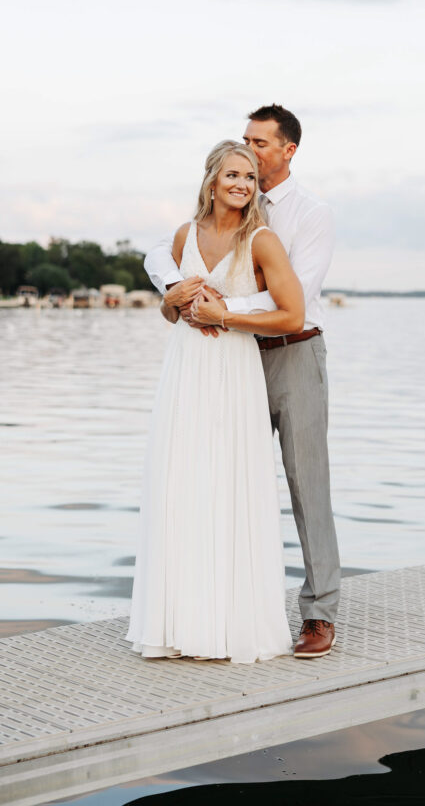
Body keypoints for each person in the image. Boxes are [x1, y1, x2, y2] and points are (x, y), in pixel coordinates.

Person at [144, 105, 341, 659]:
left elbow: (293, 301)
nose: (248, 152)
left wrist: (216, 305)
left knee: (307, 485)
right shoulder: (212, 215)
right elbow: (161, 251)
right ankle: (212, 608)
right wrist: (180, 291)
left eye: (259, 145)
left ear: (287, 151)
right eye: (244, 145)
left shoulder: (310, 214)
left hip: (292, 353)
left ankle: (319, 613)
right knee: (225, 481)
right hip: (230, 361)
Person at [126, 140, 304, 661]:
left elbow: (291, 316)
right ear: (211, 180)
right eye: (233, 174)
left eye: (250, 177)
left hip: (231, 369)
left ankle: (227, 625)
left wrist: (224, 317)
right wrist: (172, 300)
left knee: (226, 484)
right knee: (180, 483)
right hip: (184, 371)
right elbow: (176, 314)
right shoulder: (185, 235)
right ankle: (178, 623)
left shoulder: (263, 241)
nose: (242, 185)